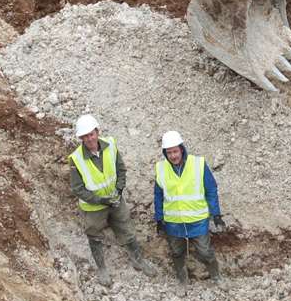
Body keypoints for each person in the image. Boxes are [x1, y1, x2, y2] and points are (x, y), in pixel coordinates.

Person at [68, 114, 153, 285]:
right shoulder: (76, 159)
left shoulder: (111, 145)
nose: (89, 138)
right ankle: (102, 268)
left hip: (115, 200)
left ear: (97, 132)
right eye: (85, 136)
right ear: (81, 138)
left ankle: (138, 260)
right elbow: (77, 188)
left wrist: (119, 190)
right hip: (93, 207)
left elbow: (121, 169)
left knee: (127, 229)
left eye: (91, 134)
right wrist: (100, 200)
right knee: (94, 235)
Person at [153, 130, 222, 285]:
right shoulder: (161, 168)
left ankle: (216, 276)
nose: (173, 156)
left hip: (197, 220)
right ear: (165, 153)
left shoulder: (198, 164)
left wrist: (216, 214)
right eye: (169, 152)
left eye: (175, 151)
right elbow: (158, 195)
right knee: (177, 252)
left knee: (205, 252)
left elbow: (211, 189)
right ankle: (182, 280)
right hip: (173, 222)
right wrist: (159, 218)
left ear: (182, 149)